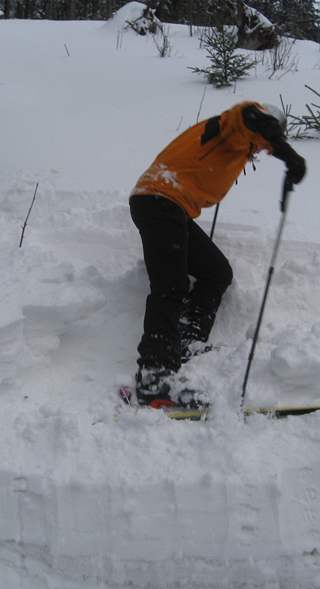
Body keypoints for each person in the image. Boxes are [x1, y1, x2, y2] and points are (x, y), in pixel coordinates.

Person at [129, 100, 307, 408]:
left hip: (173, 206)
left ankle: (187, 340)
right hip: (159, 199)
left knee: (216, 272)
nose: (265, 150)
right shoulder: (234, 125)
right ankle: (153, 378)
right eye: (269, 140)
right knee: (170, 285)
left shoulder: (238, 144)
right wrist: (286, 151)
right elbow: (249, 117)